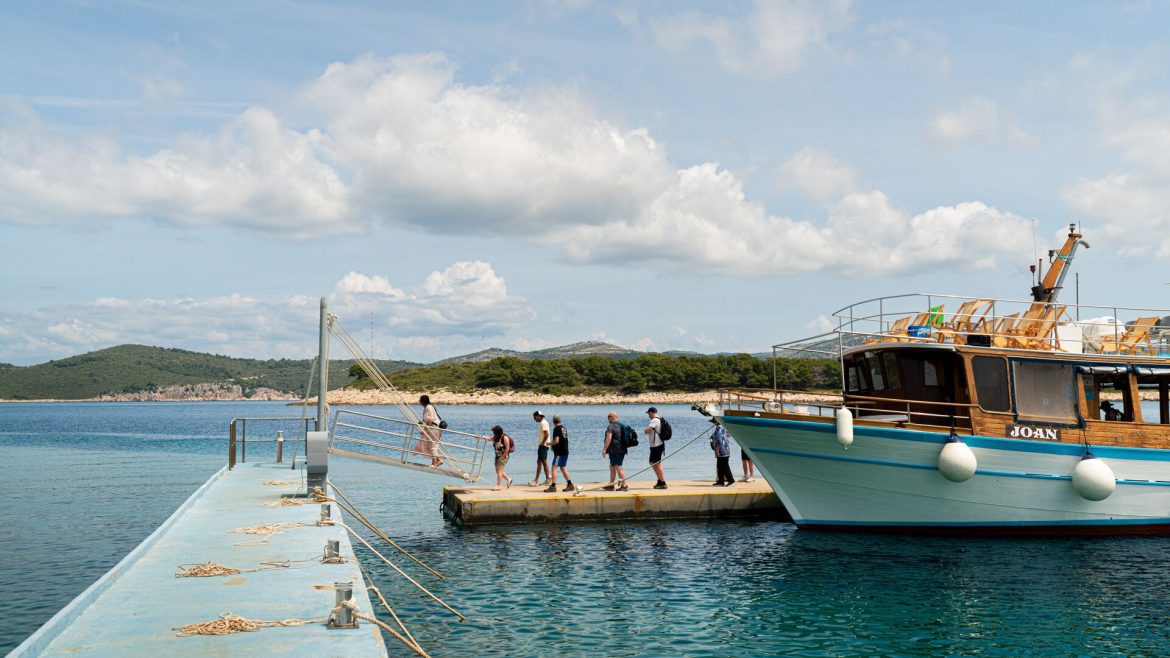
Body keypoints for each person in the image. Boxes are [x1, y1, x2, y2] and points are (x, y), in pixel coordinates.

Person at [545, 415, 575, 492]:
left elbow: (556, 441)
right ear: (560, 421)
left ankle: (553, 486)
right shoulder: (563, 428)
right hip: (565, 451)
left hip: (560, 452)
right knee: (562, 468)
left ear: (553, 421)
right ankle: (570, 484)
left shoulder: (556, 429)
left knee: (554, 467)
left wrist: (549, 444)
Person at [602, 411, 628, 491]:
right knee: (612, 466)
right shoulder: (622, 425)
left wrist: (604, 449)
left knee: (618, 466)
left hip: (615, 450)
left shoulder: (611, 426)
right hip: (622, 449)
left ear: (611, 417)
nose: (608, 419)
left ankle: (624, 485)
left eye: (608, 417)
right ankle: (611, 485)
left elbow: (609, 438)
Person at [644, 407, 667, 489]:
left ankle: (662, 482)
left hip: (656, 445)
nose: (648, 415)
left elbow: (647, 430)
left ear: (652, 412)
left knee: (655, 463)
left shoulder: (654, 420)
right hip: (658, 444)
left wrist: (645, 430)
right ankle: (660, 480)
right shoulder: (659, 419)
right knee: (654, 463)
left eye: (649, 413)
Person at [418, 394, 443, 467]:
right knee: (432, 445)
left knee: (432, 446)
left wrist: (424, 430)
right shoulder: (429, 407)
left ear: (422, 401)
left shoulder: (428, 407)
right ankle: (437, 461)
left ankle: (435, 464)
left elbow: (429, 421)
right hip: (436, 427)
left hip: (434, 428)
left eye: (420, 400)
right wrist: (421, 422)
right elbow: (427, 419)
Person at [528, 410, 552, 486]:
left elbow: (547, 434)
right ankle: (546, 479)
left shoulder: (543, 423)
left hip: (543, 445)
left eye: (535, 417)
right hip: (544, 445)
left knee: (542, 462)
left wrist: (542, 443)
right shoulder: (543, 422)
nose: (534, 419)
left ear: (538, 416)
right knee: (540, 462)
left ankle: (539, 480)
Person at [710, 420, 734, 486]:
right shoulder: (724, 427)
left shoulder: (719, 428)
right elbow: (728, 435)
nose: (714, 423)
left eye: (714, 422)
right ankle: (720, 481)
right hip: (725, 450)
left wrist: (717, 451)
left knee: (725, 466)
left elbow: (719, 441)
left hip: (722, 451)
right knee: (720, 466)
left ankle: (731, 481)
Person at [490, 425, 513, 491]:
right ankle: (509, 479)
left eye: (494, 432)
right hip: (497, 456)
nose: (493, 433)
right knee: (497, 471)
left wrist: (502, 457)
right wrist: (480, 436)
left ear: (498, 432)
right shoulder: (496, 437)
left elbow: (507, 448)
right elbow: (489, 438)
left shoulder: (505, 437)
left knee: (499, 471)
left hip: (504, 457)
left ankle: (499, 486)